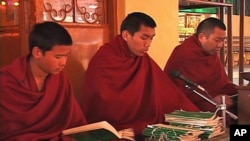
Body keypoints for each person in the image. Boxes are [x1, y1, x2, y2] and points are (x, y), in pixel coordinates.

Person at [81, 12, 199, 140]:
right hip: (115, 129)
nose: (148, 44)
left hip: (143, 127)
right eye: (144, 38)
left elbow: (167, 92)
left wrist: (196, 119)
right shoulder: (104, 59)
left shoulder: (142, 59)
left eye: (151, 38)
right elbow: (101, 102)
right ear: (126, 35)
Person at [0, 22, 87, 140]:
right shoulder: (7, 82)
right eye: (58, 57)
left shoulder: (60, 79)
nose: (63, 63)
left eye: (66, 56)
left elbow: (75, 122)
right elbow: (10, 132)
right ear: (37, 53)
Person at [163, 17, 238, 125]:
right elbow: (179, 91)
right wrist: (213, 99)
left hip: (214, 99)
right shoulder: (184, 53)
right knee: (221, 114)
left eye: (223, 40)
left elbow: (221, 83)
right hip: (189, 104)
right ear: (202, 37)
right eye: (217, 40)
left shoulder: (210, 52)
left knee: (243, 105)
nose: (220, 45)